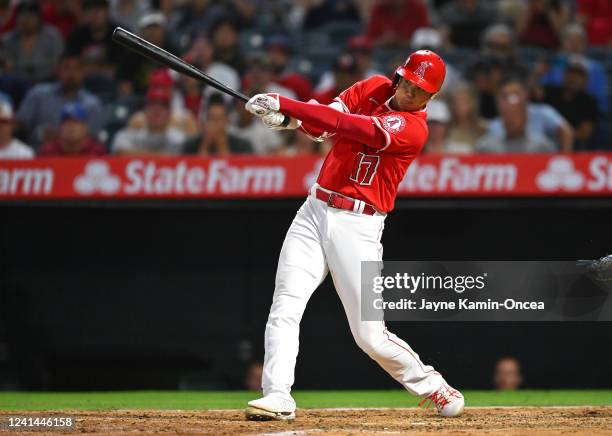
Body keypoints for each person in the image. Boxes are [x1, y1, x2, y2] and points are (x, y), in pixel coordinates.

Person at [243, 50, 464, 421]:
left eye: (419, 89)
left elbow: (351, 127)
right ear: (400, 76)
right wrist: (291, 122)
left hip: (358, 226)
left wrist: (288, 105)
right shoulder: (374, 87)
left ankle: (432, 386)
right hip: (314, 210)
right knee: (286, 303)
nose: (410, 91)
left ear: (431, 97)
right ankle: (278, 394)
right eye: (408, 82)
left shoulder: (413, 129)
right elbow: (326, 124)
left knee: (370, 336)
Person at [16, 55, 103, 148]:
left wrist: (60, 137)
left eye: (76, 69)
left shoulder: (92, 104)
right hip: (37, 155)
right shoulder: (38, 94)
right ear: (57, 70)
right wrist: (39, 134)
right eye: (66, 68)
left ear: (83, 73)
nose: (71, 73)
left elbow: (94, 137)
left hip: (79, 158)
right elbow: (20, 124)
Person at [476, 75, 574, 153]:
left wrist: (566, 160)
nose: (511, 100)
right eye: (505, 96)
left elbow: (566, 132)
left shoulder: (542, 143)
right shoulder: (489, 141)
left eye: (515, 94)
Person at [535, 56, 600, 150]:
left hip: (573, 145)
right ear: (564, 75)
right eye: (571, 74)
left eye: (579, 76)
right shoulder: (550, 91)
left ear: (586, 80)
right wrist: (537, 74)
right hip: (544, 141)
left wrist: (563, 136)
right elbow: (530, 93)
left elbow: (585, 133)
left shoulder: (590, 101)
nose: (573, 78)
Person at [1, 0, 64, 84]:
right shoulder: (8, 40)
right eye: (22, 17)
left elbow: (59, 63)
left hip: (48, 83)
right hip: (17, 85)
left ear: (39, 18)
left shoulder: (52, 36)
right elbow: (7, 68)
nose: (26, 21)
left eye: (30, 17)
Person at [112, 87, 185, 155]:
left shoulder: (179, 139)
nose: (157, 110)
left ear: (170, 113)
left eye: (163, 106)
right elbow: (120, 151)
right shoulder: (133, 135)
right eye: (152, 105)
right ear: (145, 111)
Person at [183, 93, 252, 155]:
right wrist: (205, 145)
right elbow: (193, 166)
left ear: (226, 121)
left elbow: (235, 166)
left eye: (219, 120)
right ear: (205, 122)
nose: (215, 125)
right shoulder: (191, 146)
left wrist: (222, 146)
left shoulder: (241, 145)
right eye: (212, 119)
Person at [39, 102, 105, 156]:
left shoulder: (97, 151)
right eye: (66, 122)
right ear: (60, 127)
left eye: (76, 122)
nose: (71, 126)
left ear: (85, 127)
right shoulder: (48, 151)